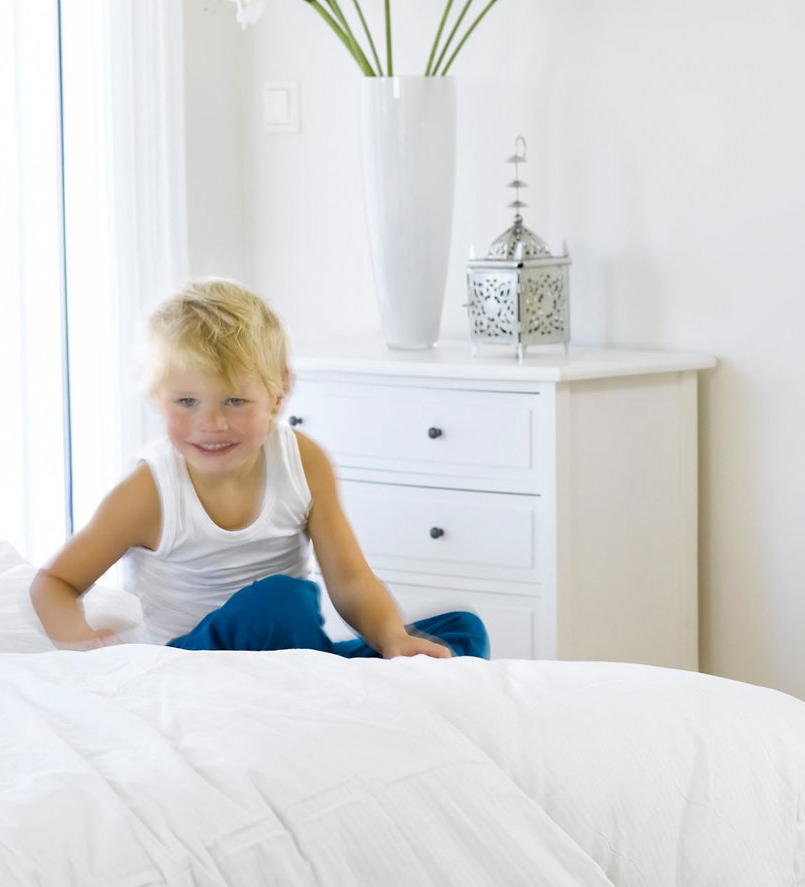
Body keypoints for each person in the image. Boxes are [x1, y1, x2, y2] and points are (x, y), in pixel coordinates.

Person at [32, 278, 488, 660]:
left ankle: (346, 679)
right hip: (192, 663)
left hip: (290, 648)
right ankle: (343, 687)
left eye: (235, 400)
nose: (211, 423)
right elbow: (55, 582)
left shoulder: (303, 461)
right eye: (187, 401)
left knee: (459, 632)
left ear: (278, 394)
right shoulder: (151, 490)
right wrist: (84, 644)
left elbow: (349, 580)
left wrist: (392, 640)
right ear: (157, 397)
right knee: (281, 601)